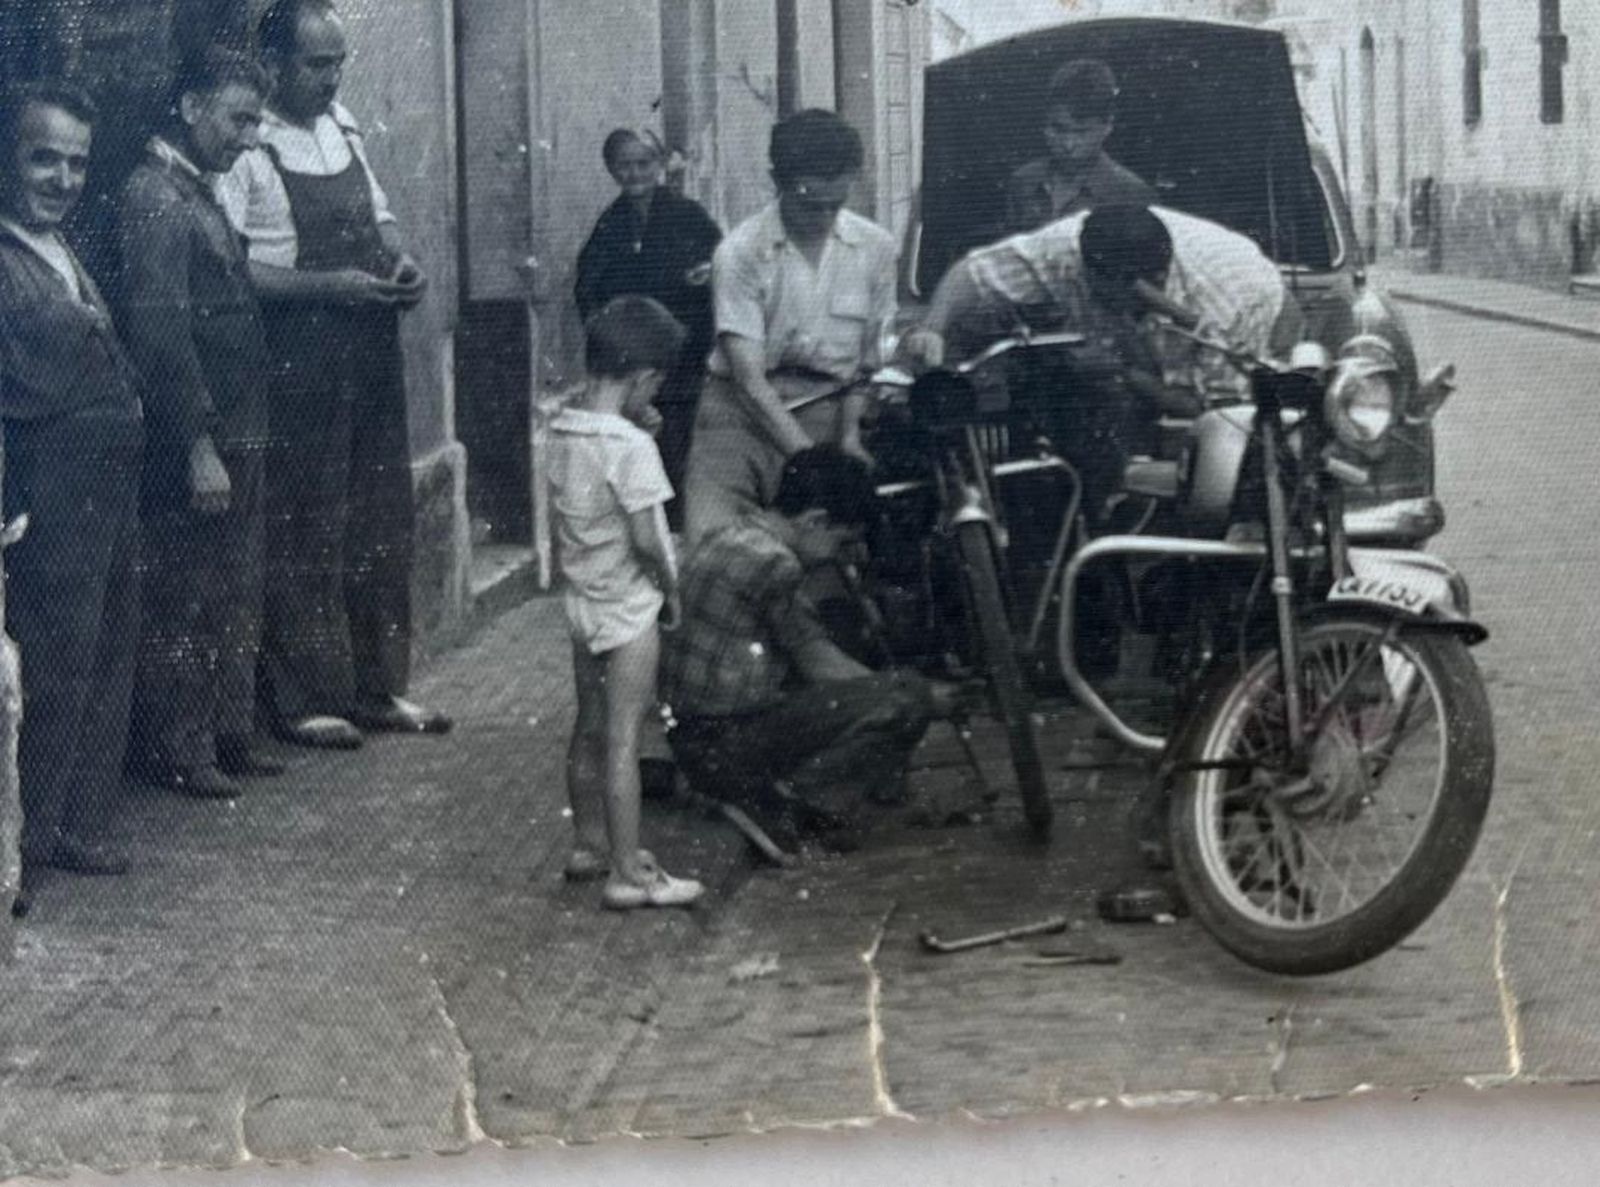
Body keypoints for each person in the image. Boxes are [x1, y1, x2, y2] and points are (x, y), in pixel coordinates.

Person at [217, 0, 450, 750]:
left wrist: (399, 260)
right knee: (305, 520)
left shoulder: (342, 126)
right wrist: (331, 288)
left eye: (338, 63)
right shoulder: (252, 148)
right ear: (275, 65)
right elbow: (235, 270)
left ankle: (379, 687)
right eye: (317, 64)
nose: (332, 77)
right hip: (297, 362)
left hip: (371, 353)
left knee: (380, 514)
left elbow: (378, 216)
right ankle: (306, 698)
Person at [119, 47, 285, 800]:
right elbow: (161, 333)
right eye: (237, 117)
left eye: (256, 120)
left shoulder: (199, 191)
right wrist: (195, 444)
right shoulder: (157, 197)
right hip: (206, 437)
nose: (248, 137)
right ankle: (182, 748)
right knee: (190, 590)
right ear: (189, 107)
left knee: (231, 585)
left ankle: (222, 732)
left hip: (237, 429)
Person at [0, 81, 145, 903]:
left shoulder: (64, 249)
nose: (61, 178)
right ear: (8, 158)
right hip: (50, 491)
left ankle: (67, 828)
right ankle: (20, 850)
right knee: (49, 661)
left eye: (76, 163)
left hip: (105, 483)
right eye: (42, 158)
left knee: (101, 650)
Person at [663, 446, 949, 844]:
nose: (841, 556)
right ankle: (789, 806)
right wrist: (912, 693)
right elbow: (821, 665)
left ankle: (790, 795)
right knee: (907, 698)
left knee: (851, 654)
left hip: (691, 740)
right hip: (725, 748)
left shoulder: (728, 535)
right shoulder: (774, 563)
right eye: (841, 542)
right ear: (816, 521)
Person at [549, 295, 703, 910]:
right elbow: (646, 538)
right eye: (655, 385)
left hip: (583, 601)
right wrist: (671, 588)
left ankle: (588, 844)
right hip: (630, 610)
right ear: (645, 377)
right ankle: (628, 874)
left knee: (586, 728)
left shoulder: (563, 429)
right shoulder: (634, 449)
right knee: (623, 738)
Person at [681, 109, 896, 545]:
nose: (823, 217)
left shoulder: (876, 248)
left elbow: (865, 366)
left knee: (828, 559)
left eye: (834, 205)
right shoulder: (739, 252)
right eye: (809, 203)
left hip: (829, 409)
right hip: (738, 415)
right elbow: (748, 380)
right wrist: (812, 464)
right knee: (715, 550)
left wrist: (850, 437)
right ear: (776, 180)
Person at [574, 129, 721, 526]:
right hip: (629, 367)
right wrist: (609, 335)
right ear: (611, 169)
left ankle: (672, 533)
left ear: (659, 166)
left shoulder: (688, 216)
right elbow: (587, 287)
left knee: (676, 456)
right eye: (625, 165)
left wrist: (704, 279)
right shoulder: (610, 225)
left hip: (681, 365)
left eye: (644, 163)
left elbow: (720, 269)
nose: (635, 173)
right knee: (633, 460)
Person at [1004, 59, 1156, 234]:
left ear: (1107, 126)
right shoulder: (1023, 181)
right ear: (1045, 121)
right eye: (1058, 129)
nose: (1069, 144)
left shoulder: (1131, 194)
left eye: (1082, 132)